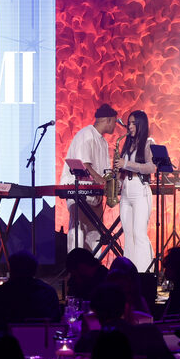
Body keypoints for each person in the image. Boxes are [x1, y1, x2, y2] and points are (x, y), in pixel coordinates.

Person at [60, 103, 118, 252]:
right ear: (108, 120)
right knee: (78, 230)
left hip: (94, 193)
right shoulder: (86, 135)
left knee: (95, 232)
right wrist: (99, 179)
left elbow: (105, 170)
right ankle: (75, 267)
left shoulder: (103, 142)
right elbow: (83, 164)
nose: (115, 126)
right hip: (78, 190)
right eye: (114, 122)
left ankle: (94, 267)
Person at [112, 109, 157, 272]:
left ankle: (145, 273)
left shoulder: (148, 142)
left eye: (133, 123)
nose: (129, 126)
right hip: (126, 191)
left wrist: (126, 164)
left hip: (140, 190)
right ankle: (130, 274)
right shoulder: (128, 144)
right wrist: (117, 180)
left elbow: (151, 167)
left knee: (139, 234)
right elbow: (122, 168)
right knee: (129, 236)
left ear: (141, 125)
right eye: (129, 123)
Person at [0, 251, 62, 332]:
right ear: (34, 270)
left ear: (11, 269)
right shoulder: (48, 293)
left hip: (6, 343)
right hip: (42, 341)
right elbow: (56, 322)